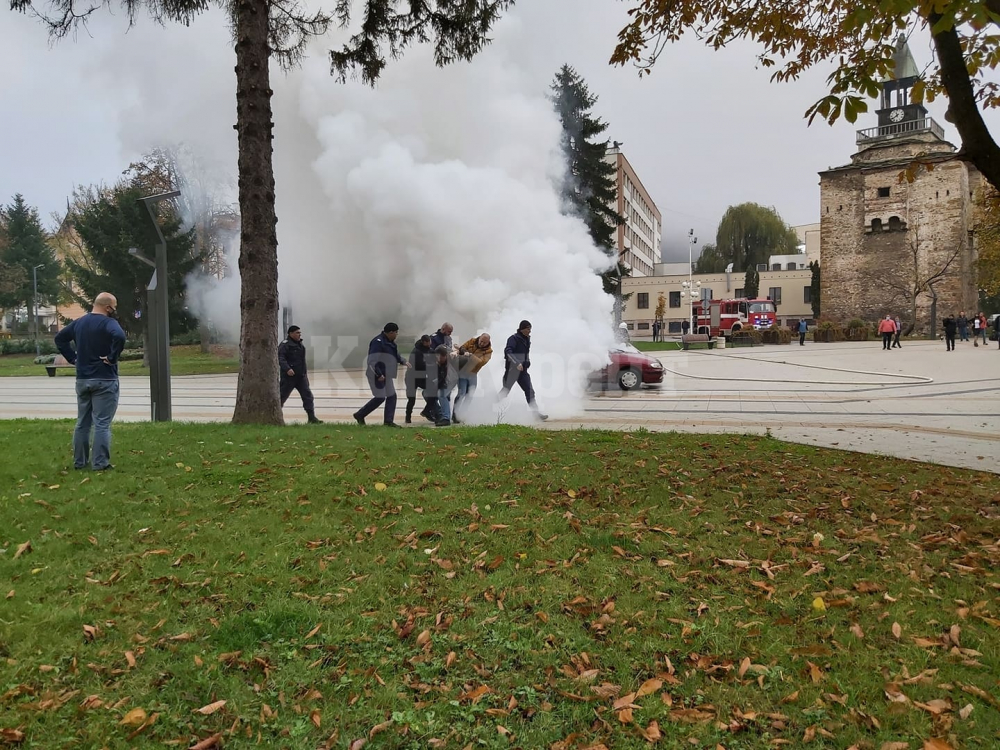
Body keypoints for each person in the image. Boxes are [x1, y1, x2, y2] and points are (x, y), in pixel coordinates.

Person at [54, 292, 127, 471]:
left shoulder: (79, 323)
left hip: (83, 379)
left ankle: (80, 462)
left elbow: (60, 338)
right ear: (107, 307)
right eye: (114, 307)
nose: (114, 311)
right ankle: (100, 464)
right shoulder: (110, 323)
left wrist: (73, 358)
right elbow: (120, 337)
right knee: (102, 423)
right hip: (105, 380)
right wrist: (112, 357)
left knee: (82, 423)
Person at [353, 322, 410, 427]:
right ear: (391, 332)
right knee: (380, 397)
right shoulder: (378, 342)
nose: (397, 335)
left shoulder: (390, 342)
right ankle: (360, 414)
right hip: (376, 375)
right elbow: (371, 361)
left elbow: (395, 355)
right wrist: (378, 374)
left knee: (392, 396)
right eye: (396, 333)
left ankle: (388, 421)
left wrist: (403, 361)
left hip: (386, 374)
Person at [499, 320, 547, 421]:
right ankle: (489, 405)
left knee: (529, 391)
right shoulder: (513, 339)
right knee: (505, 391)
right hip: (512, 371)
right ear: (522, 329)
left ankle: (536, 414)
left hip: (523, 371)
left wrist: (527, 362)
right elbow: (508, 352)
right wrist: (517, 363)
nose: (529, 331)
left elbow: (526, 354)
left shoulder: (527, 339)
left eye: (530, 329)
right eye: (528, 329)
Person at [278, 325, 321, 424]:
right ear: (291, 333)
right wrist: (287, 368)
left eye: (300, 333)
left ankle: (311, 417)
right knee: (281, 396)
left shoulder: (300, 344)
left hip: (301, 376)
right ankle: (276, 415)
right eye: (297, 333)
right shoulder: (285, 345)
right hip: (289, 377)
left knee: (308, 396)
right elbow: (281, 358)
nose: (299, 334)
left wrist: (304, 374)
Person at [454, 332, 492, 423]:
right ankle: (455, 414)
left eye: (484, 343)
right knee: (461, 393)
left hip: (473, 374)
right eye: (481, 341)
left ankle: (463, 414)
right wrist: (464, 351)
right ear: (479, 338)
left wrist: (470, 355)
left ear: (488, 343)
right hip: (462, 371)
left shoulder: (489, 352)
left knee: (469, 395)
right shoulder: (472, 341)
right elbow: (462, 347)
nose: (481, 343)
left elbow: (481, 362)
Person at [425, 345, 459, 426]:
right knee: (426, 393)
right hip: (442, 379)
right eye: (437, 357)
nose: (439, 359)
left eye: (441, 357)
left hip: (451, 380)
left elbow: (459, 352)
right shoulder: (437, 359)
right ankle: (440, 413)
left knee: (442, 394)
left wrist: (457, 351)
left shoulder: (451, 357)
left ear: (446, 355)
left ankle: (446, 418)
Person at [404, 334, 433, 424]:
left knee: (433, 391)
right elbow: (420, 365)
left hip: (421, 377)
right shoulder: (416, 351)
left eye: (430, 342)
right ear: (423, 342)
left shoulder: (429, 350)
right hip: (411, 378)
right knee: (412, 399)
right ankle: (408, 416)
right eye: (427, 343)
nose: (429, 344)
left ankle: (427, 411)